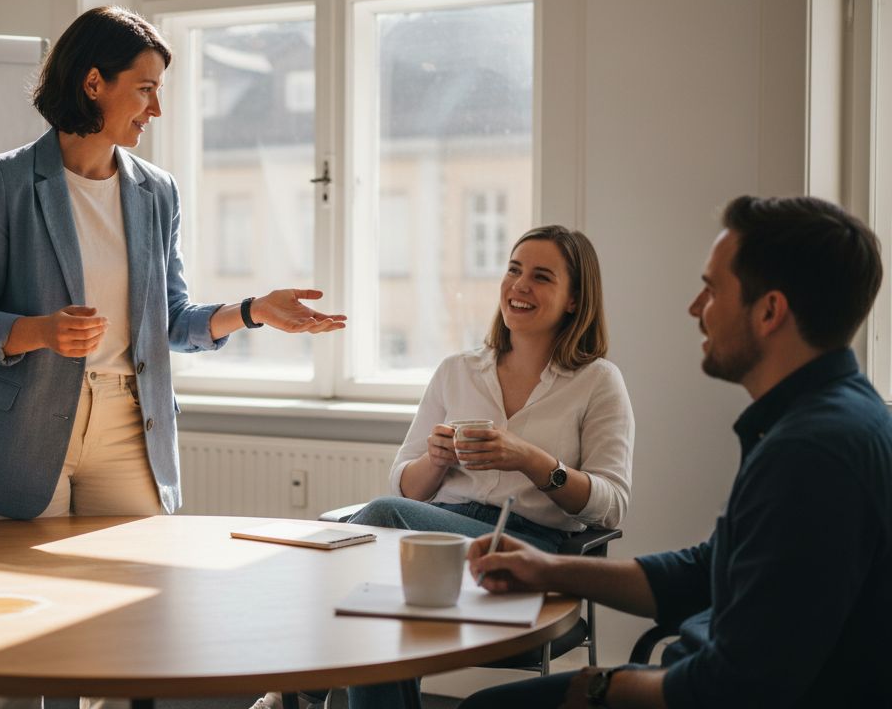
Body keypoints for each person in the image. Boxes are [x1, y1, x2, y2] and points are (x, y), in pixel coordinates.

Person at [0, 6, 344, 709]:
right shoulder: (3, 182)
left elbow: (174, 321)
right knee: (16, 641)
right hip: (24, 426)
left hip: (129, 423)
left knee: (124, 630)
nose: (157, 109)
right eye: (146, 89)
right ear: (94, 82)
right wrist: (37, 330)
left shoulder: (156, 191)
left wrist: (251, 311)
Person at [459, 195, 892, 708]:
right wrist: (548, 570)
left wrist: (600, 686)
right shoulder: (830, 419)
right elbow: (706, 571)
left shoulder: (811, 454)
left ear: (770, 311)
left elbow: (735, 688)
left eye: (711, 290)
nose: (694, 308)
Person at [251, 225, 634, 709]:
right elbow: (407, 485)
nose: (519, 285)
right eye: (514, 270)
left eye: (541, 277)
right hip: (437, 539)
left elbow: (613, 506)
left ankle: (299, 683)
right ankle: (310, 682)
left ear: (575, 300)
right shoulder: (457, 370)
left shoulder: (598, 382)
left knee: (379, 531)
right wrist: (435, 461)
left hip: (525, 547)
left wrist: (532, 461)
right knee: (378, 599)